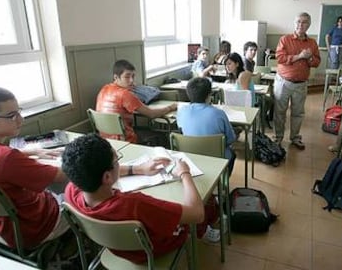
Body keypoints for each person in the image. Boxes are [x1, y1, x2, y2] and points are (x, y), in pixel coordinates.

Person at [62, 133, 206, 264]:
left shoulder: (71, 190)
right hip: (150, 250)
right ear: (106, 177)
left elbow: (102, 172)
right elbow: (197, 214)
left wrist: (138, 168)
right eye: (117, 161)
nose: (119, 163)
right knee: (207, 203)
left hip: (114, 246)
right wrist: (184, 173)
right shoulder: (134, 205)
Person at [0, 86, 69, 249]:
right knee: (81, 191)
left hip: (4, 226)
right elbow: (62, 175)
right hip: (36, 227)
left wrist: (31, 152)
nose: (21, 120)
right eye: (12, 116)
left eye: (19, 112)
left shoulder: (3, 155)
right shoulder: (9, 159)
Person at [96, 59, 177, 143]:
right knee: (162, 136)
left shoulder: (104, 89)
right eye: (127, 77)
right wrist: (170, 107)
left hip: (105, 140)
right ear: (116, 77)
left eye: (133, 76)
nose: (131, 80)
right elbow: (151, 114)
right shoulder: (125, 94)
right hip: (126, 140)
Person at [273, 12, 321, 149]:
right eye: (298, 21)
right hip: (283, 82)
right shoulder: (285, 39)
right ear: (295, 23)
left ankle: (295, 138)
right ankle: (278, 137)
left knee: (298, 113)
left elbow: (316, 62)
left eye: (304, 22)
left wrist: (309, 58)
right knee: (279, 111)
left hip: (301, 84)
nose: (301, 24)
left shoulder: (312, 43)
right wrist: (299, 56)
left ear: (309, 25)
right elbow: (280, 58)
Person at [176, 77, 237, 175]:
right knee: (232, 154)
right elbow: (231, 139)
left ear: (188, 94)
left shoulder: (182, 111)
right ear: (209, 95)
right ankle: (223, 182)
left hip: (190, 156)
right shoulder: (219, 113)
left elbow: (182, 129)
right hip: (217, 157)